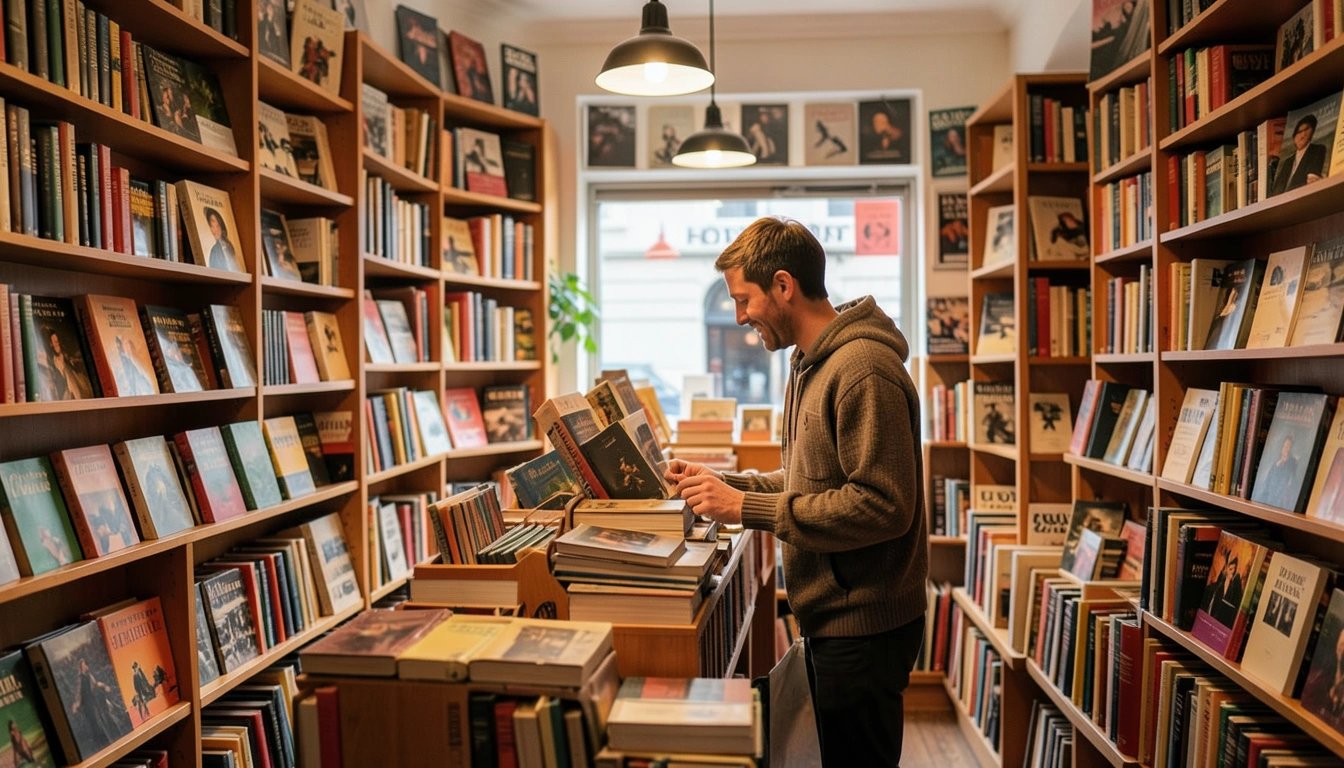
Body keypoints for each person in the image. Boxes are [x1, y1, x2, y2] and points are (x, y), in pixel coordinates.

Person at [665, 217, 927, 767]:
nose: (739, 317)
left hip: (865, 629)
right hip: (836, 622)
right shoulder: (810, 364)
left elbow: (883, 506)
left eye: (744, 299)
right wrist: (720, 485)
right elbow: (813, 480)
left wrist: (743, 507)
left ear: (783, 285)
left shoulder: (863, 368)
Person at [1269, 114, 1327, 195]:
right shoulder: (1288, 161)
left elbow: (1312, 177)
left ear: (1312, 131)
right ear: (1294, 138)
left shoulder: (1317, 150)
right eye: (1299, 132)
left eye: (1307, 129)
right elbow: (1278, 187)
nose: (1303, 134)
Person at [1203, 554, 1244, 625]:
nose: (1233, 571)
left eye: (1234, 569)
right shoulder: (1218, 584)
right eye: (1230, 569)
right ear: (1226, 569)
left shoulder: (1235, 586)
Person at [204, 208, 239, 272]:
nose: (215, 230)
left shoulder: (229, 246)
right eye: (212, 226)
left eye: (217, 226)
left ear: (221, 225)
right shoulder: (214, 251)